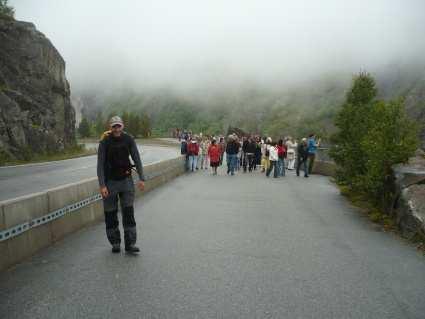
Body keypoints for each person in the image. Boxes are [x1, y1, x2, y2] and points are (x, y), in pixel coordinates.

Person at [97, 116, 145, 254]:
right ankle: (115, 243)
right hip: (110, 182)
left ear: (122, 126)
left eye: (118, 126)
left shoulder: (128, 139)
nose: (116, 129)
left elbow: (136, 157)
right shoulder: (104, 142)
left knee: (128, 213)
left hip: (126, 181)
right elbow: (100, 165)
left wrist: (142, 178)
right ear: (110, 127)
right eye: (114, 126)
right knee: (110, 214)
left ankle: (130, 244)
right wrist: (102, 185)